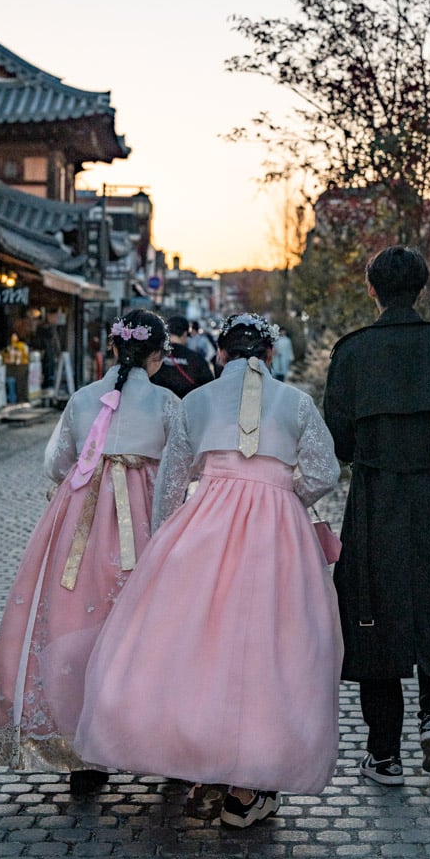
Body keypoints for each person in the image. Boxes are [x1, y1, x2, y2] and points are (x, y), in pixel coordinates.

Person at [75, 312, 343, 827]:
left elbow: (172, 484)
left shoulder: (196, 402)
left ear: (220, 355)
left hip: (207, 525)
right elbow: (326, 472)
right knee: (274, 647)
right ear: (268, 355)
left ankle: (197, 753)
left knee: (198, 642)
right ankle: (250, 782)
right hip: (278, 530)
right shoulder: (298, 402)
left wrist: (162, 543)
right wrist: (286, 495)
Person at [0, 309, 178, 796]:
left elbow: (56, 464)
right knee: (149, 628)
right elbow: (181, 466)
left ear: (114, 350)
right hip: (145, 517)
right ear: (156, 356)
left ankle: (82, 756)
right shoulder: (165, 403)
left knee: (74, 624)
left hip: (81, 522)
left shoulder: (82, 398)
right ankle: (155, 739)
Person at [323, 245, 430, 785]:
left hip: (377, 496)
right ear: (422, 287)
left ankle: (383, 752)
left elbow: (339, 441)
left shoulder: (352, 353)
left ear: (372, 288)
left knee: (376, 612)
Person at [151, 314, 214, 398]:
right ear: (185, 334)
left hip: (158, 406)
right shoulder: (196, 359)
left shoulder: (155, 357)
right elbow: (209, 388)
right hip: (188, 407)